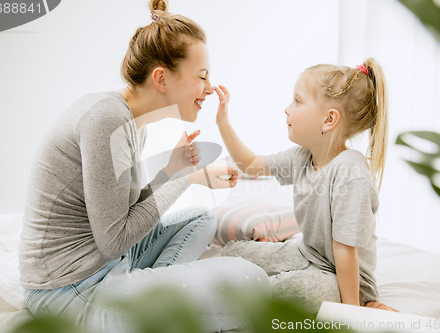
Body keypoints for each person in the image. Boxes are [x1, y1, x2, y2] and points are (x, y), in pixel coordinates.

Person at [18, 1, 270, 332]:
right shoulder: (106, 119)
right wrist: (186, 178)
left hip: (106, 262)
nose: (210, 88)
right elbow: (114, 238)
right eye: (202, 76)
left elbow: (124, 213)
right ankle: (145, 303)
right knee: (252, 282)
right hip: (69, 288)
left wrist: (169, 171)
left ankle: (147, 297)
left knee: (200, 218)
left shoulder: (133, 121)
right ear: (162, 78)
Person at [214, 59, 399, 313]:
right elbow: (250, 164)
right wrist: (223, 123)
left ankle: (234, 303)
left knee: (286, 293)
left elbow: (344, 250)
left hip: (345, 279)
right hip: (308, 255)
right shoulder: (301, 156)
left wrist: (354, 311)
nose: (287, 109)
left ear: (329, 119)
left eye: (297, 101)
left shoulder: (350, 171)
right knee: (231, 253)